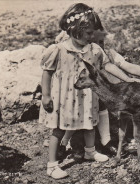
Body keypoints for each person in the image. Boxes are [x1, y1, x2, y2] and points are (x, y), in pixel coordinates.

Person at [55, 27, 140, 156]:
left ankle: (107, 141)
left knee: (105, 109)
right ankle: (66, 142)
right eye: (95, 41)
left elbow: (128, 66)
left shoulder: (107, 53)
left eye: (101, 41)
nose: (99, 45)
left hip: (111, 95)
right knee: (78, 113)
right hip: (88, 94)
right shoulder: (82, 56)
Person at [39, 3, 114, 179]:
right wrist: (46, 95)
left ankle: (90, 151)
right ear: (74, 29)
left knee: (90, 125)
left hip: (87, 96)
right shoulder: (58, 50)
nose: (92, 36)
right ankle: (51, 165)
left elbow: (104, 66)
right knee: (58, 130)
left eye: (93, 32)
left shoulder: (94, 50)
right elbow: (47, 73)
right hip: (64, 99)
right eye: (88, 33)